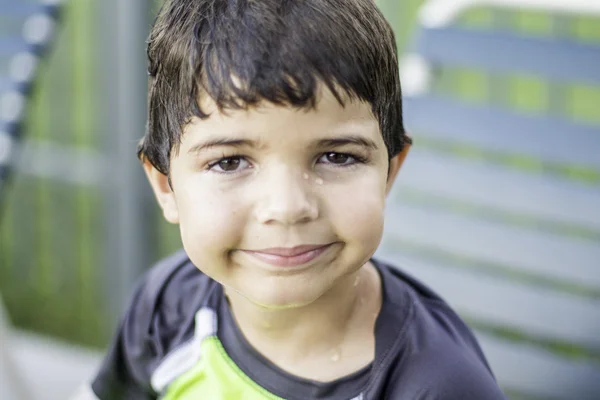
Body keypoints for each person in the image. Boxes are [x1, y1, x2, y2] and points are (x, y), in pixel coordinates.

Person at [82, 0, 508, 398]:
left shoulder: (438, 386)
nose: (287, 207)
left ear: (389, 172)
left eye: (336, 156)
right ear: (166, 187)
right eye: (230, 162)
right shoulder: (167, 306)